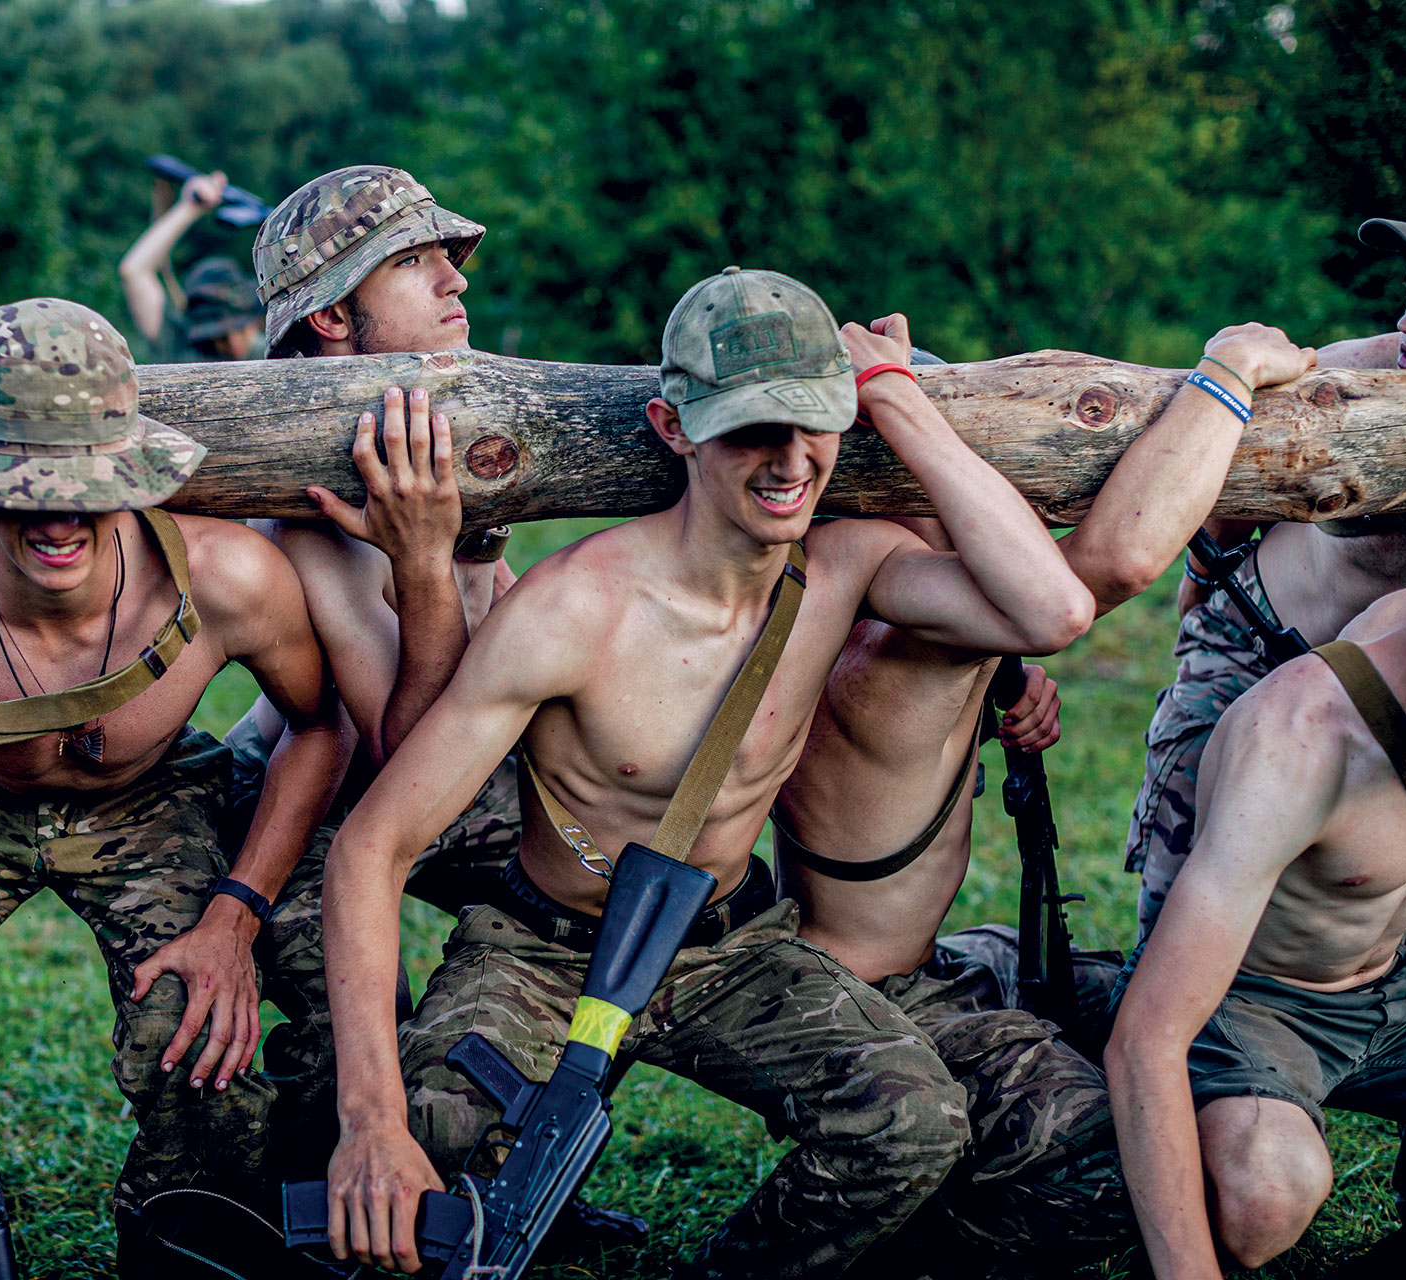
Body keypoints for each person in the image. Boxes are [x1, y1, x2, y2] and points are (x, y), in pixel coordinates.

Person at [319, 267, 1097, 1278]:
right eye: (750, 429)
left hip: (728, 945)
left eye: (813, 421)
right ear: (674, 425)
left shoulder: (847, 565)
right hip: (548, 950)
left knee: (911, 1119)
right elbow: (372, 848)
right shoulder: (574, 609)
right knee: (440, 1126)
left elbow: (1056, 612)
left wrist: (896, 396)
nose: (787, 461)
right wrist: (370, 1118)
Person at [0, 298, 346, 1279]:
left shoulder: (225, 576)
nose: (54, 513)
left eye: (84, 481)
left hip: (149, 801)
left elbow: (317, 726)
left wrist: (235, 914)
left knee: (197, 1035)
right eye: (17, 483)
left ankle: (182, 1248)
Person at [769, 322, 1318, 1272]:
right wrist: (1227, 371)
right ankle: (909, 1232)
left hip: (925, 960)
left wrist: (1002, 683)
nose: (1002, 498)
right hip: (875, 1001)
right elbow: (1112, 562)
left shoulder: (872, 597)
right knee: (1130, 1170)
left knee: (1190, 1014)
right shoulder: (896, 648)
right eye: (974, 471)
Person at [231, 164, 519, 919]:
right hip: (291, 811)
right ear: (329, 319)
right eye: (412, 262)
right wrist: (426, 559)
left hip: (430, 786)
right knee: (344, 1013)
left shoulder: (419, 435)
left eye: (446, 259)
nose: (454, 282)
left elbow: (504, 656)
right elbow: (415, 753)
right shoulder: (305, 514)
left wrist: (478, 541)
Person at [1107, 586, 1406, 1279]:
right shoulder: (1298, 743)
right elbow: (1146, 1038)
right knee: (1265, 1201)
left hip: (1401, 972)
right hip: (1257, 999)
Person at [1131, 216, 1406, 939]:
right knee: (1185, 888)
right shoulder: (1352, 376)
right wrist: (1200, 596)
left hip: (1387, 697)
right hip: (1257, 644)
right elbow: (1226, 493)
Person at [119, 167, 264, 361]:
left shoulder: (274, 351)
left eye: (240, 328)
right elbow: (134, 271)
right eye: (221, 336)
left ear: (253, 321)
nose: (234, 343)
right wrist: (189, 207)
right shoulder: (179, 346)